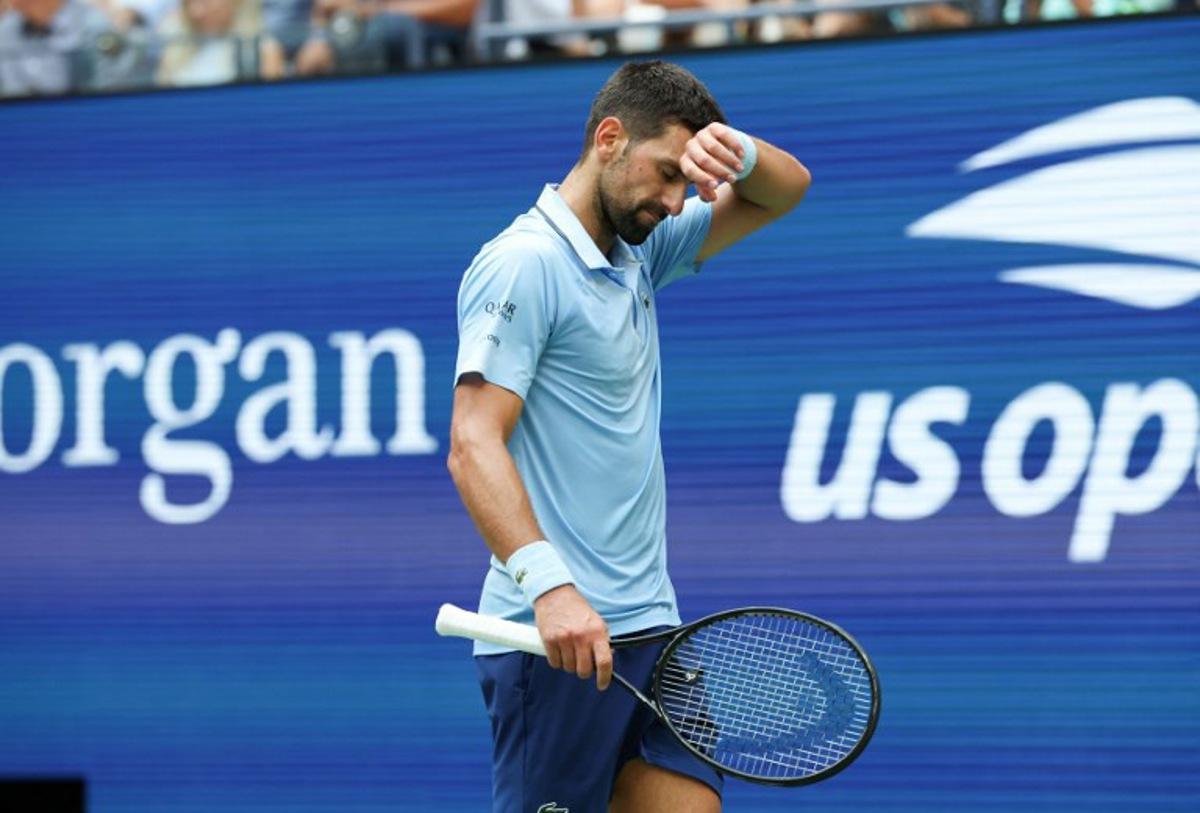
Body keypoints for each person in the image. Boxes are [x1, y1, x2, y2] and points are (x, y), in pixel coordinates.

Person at [447, 61, 810, 812]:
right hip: (554, 644)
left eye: (689, 181)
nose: (676, 201)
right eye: (668, 173)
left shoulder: (640, 248)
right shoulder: (524, 264)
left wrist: (733, 152)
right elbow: (472, 441)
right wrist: (551, 588)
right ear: (609, 139)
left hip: (651, 630)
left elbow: (787, 187)